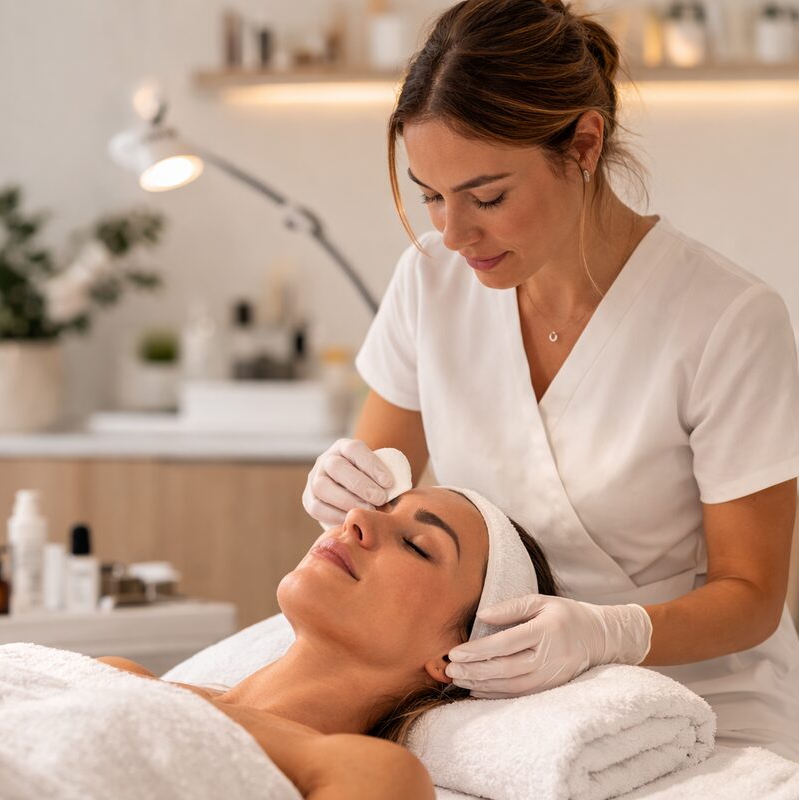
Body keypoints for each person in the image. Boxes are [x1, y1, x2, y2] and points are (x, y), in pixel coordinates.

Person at [302, 0, 799, 759]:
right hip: (498, 704)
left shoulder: (729, 321)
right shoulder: (432, 281)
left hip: (703, 703)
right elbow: (374, 496)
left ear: (585, 144)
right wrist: (343, 487)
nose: (452, 233)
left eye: (487, 196)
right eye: (432, 195)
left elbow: (753, 598)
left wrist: (612, 632)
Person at [103, 486, 557, 799]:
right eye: (380, 507)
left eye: (417, 545)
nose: (356, 517)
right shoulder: (120, 675)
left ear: (456, 655)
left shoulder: (372, 774)